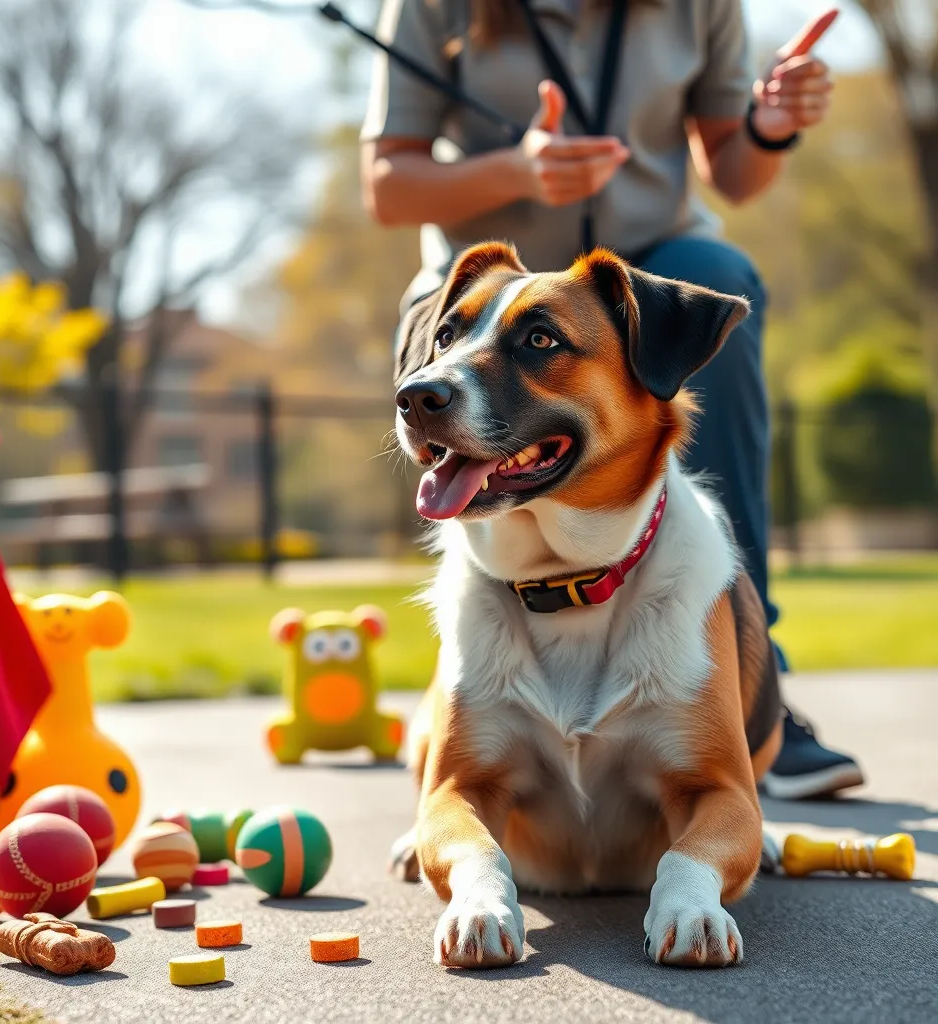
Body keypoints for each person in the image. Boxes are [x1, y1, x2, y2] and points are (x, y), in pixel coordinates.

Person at [360, 0, 864, 799]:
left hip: (641, 273)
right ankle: (473, 703)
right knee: (439, 340)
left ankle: (739, 688)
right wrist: (518, 172)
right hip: (484, 282)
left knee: (723, 275)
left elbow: (732, 172)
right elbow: (388, 186)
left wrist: (768, 127)